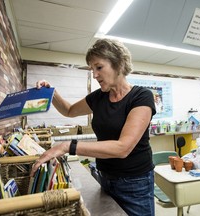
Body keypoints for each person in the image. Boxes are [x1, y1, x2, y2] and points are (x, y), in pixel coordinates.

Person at [31, 38, 156, 216]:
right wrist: (51, 92)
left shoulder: (141, 97)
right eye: (92, 70)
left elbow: (123, 148)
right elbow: (69, 111)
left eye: (99, 67)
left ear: (118, 64)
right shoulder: (99, 97)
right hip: (104, 177)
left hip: (135, 182)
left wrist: (67, 146)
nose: (95, 75)